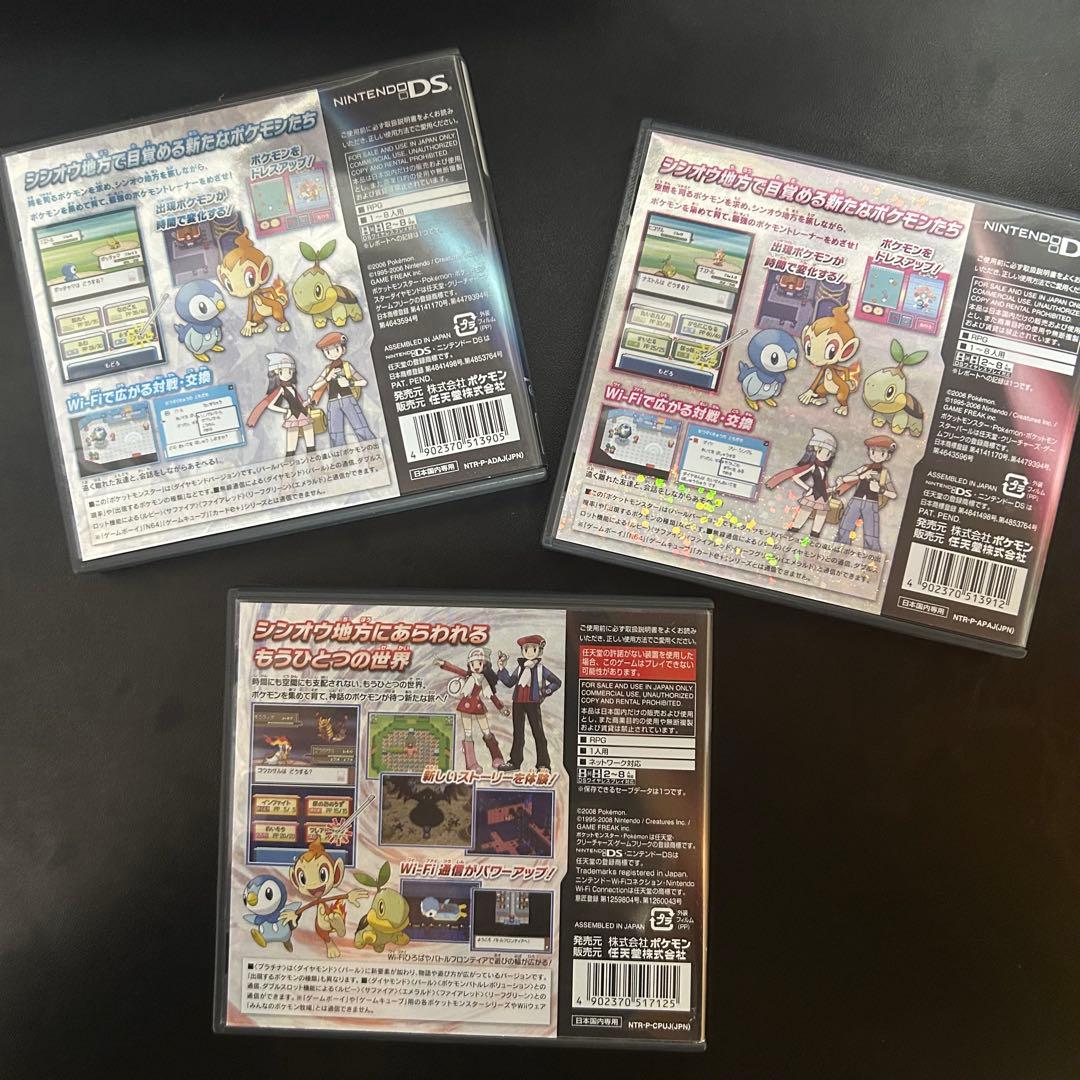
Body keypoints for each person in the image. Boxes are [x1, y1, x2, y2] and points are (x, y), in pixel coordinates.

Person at [496, 635, 562, 773]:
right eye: (526, 649)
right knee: (518, 733)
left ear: (540, 651)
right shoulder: (520, 668)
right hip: (518, 702)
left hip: (533, 703)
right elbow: (509, 682)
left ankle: (543, 764)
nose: (530, 652)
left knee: (538, 732)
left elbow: (557, 682)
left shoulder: (541, 669)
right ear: (522, 651)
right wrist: (502, 668)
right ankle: (514, 762)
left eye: (534, 649)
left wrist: (545, 691)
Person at [307, 332, 374, 446]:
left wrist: (350, 383)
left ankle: (372, 452)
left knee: (361, 428)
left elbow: (363, 382)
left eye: (336, 349)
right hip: (333, 403)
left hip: (348, 399)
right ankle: (341, 456)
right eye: (327, 351)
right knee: (335, 434)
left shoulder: (347, 366)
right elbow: (315, 386)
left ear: (343, 350)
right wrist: (327, 379)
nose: (332, 353)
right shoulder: (327, 370)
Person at [834, 436, 898, 550]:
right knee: (845, 529)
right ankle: (837, 552)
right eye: (873, 451)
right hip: (855, 501)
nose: (877, 455)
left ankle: (872, 557)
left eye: (882, 453)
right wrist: (860, 476)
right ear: (869, 452)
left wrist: (880, 490)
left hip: (871, 504)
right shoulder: (864, 468)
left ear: (887, 456)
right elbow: (845, 478)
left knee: (871, 534)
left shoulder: (884, 473)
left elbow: (893, 494)